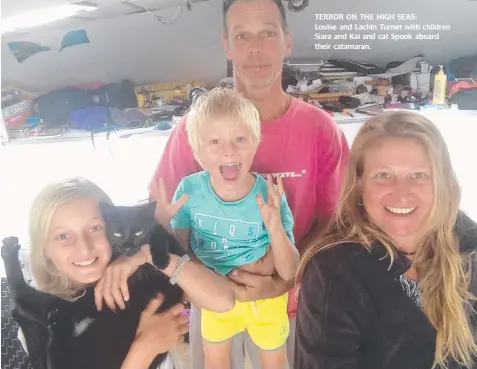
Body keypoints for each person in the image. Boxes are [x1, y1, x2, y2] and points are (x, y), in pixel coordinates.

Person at [149, 0, 349, 367]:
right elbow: (162, 220)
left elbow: (337, 223)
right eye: (242, 35)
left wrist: (287, 277)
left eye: (268, 33)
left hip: (289, 312)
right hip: (211, 309)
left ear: (288, 40)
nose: (255, 49)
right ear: (226, 44)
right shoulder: (190, 133)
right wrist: (198, 278)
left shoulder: (322, 131)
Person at [294, 110, 477, 369]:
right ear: (360, 183)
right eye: (383, 175)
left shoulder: (466, 244)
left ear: (441, 182)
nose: (402, 194)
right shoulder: (333, 272)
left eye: (418, 175)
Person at [21, 177, 235, 369]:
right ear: (44, 249)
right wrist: (144, 349)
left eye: (95, 228)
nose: (84, 248)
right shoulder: (38, 315)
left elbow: (223, 301)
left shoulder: (135, 274)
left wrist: (146, 254)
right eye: (63, 236)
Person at [168, 88, 299, 369]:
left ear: (255, 142)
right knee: (215, 361)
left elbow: (290, 272)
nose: (229, 149)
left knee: (276, 362)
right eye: (215, 141)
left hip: (267, 299)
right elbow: (180, 252)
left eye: (240, 139)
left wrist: (275, 227)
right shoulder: (188, 191)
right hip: (215, 292)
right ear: (198, 151)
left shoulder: (269, 194)